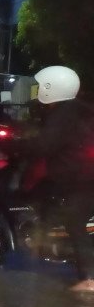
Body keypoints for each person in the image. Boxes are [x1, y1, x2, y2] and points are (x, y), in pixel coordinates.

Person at [29, 65, 94, 293]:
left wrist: (14, 146)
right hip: (79, 177)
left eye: (40, 87)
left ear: (50, 88)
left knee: (75, 221)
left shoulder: (63, 114)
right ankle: (43, 241)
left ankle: (90, 279)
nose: (36, 92)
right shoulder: (78, 110)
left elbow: (45, 145)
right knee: (46, 196)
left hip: (82, 180)